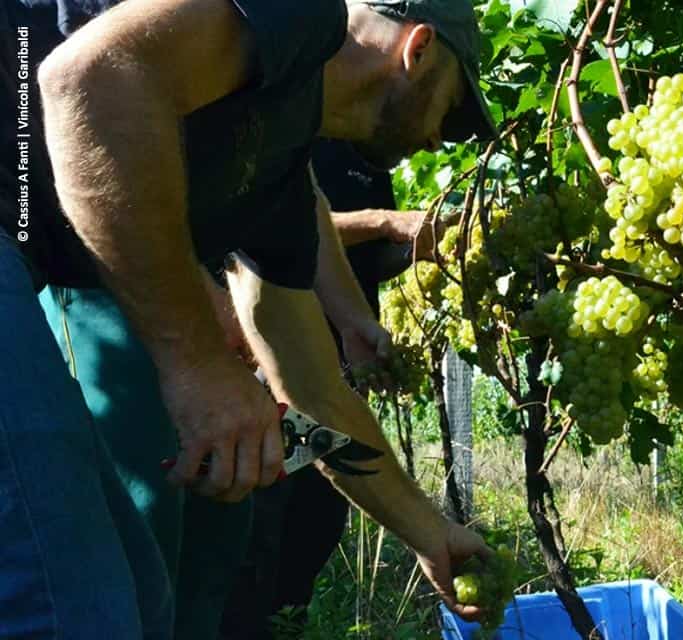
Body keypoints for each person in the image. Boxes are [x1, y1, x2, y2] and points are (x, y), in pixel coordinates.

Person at [0, 0, 496, 637]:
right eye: (450, 112)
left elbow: (312, 388)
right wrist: (198, 364)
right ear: (418, 48)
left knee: (141, 603)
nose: (438, 140)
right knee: (68, 610)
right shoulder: (304, 15)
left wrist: (431, 535)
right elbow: (85, 78)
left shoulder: (275, 179)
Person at [219, 137, 450, 638]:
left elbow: (362, 261)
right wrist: (383, 221)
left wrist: (412, 251)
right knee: (261, 526)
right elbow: (274, 230)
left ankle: (285, 623)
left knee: (318, 519)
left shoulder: (369, 156)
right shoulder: (296, 132)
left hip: (339, 377)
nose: (429, 137)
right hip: (275, 372)